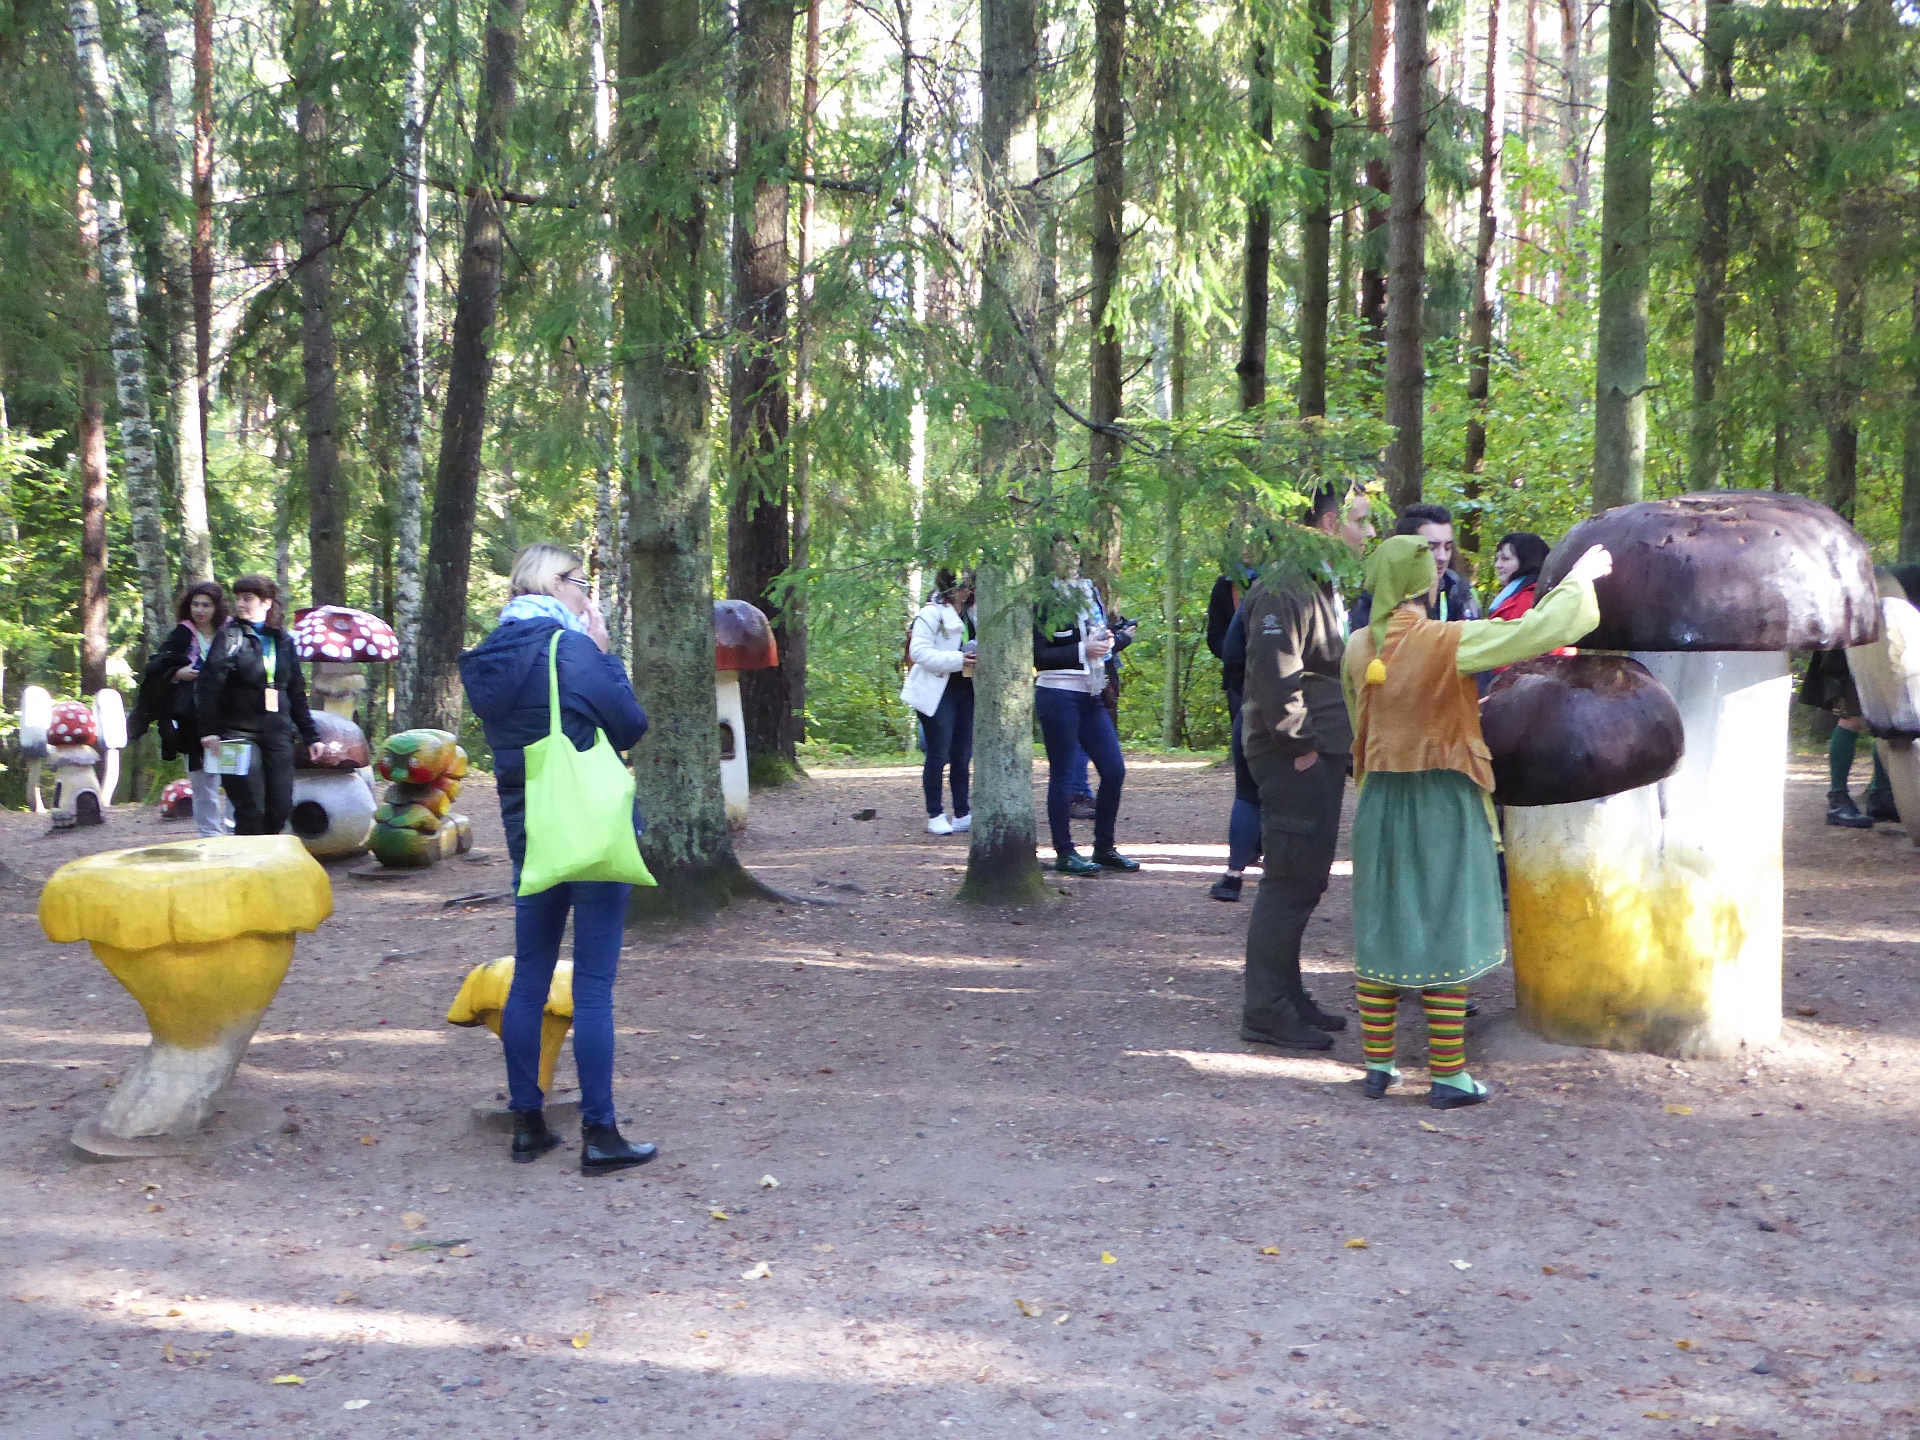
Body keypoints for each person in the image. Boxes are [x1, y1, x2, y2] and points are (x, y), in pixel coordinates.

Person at [1342, 534, 1613, 1108]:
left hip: (1380, 799)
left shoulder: (1357, 647)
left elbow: (1360, 720)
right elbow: (1536, 632)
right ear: (1423, 583)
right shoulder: (1447, 641)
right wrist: (1578, 582)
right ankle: (1447, 1077)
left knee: (1383, 920)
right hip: (1441, 797)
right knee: (1448, 922)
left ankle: (1378, 1066)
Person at [459, 542, 658, 1175]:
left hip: (530, 832)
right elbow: (630, 725)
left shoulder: (489, 657)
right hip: (589, 829)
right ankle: (600, 1134)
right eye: (580, 582)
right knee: (593, 986)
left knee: (530, 976)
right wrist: (604, 652)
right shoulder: (568, 648)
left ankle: (528, 1125)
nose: (586, 594)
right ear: (554, 584)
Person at [1234, 485, 1376, 1047]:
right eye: (1363, 521)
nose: (1370, 533)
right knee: (1289, 881)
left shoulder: (1317, 581)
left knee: (1306, 879)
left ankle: (1287, 995)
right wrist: (1302, 746)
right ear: (1330, 522)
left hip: (1315, 752)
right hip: (1293, 756)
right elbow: (1275, 675)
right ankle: (1266, 1010)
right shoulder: (1284, 587)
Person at [1035, 540, 1137, 875]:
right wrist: (1083, 650)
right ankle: (1065, 853)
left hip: (1092, 692)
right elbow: (1039, 655)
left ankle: (1104, 847)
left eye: (1074, 553)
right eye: (1061, 553)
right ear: (1050, 559)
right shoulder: (1043, 598)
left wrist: (1116, 639)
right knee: (1063, 773)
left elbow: (1098, 640)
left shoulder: (1090, 591)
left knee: (1114, 769)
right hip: (1057, 693)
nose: (1070, 559)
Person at [195, 575, 319, 835]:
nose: (240, 604)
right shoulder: (228, 636)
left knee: (280, 806)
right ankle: (248, 857)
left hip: (278, 733)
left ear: (266, 603)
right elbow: (208, 686)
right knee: (250, 808)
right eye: (238, 598)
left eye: (247, 599)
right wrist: (208, 731)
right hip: (235, 734)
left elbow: (296, 691)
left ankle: (268, 855)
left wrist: (310, 735)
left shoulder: (283, 640)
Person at [130, 581, 233, 836]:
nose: (200, 610)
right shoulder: (182, 633)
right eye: (195, 604)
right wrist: (177, 673)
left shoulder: (231, 631)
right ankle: (209, 834)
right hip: (191, 720)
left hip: (229, 716)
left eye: (206, 605)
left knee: (235, 779)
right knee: (203, 781)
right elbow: (156, 667)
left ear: (216, 607)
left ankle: (236, 832)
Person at [901, 568, 975, 835]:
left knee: (962, 754)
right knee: (938, 752)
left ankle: (962, 813)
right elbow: (919, 653)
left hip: (966, 690)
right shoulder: (930, 614)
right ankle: (935, 814)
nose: (967, 590)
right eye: (962, 586)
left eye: (969, 585)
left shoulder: (972, 614)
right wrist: (958, 659)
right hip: (936, 691)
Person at [1798, 649, 1896, 827]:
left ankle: (1881, 796)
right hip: (1851, 650)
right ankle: (1838, 800)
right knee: (1852, 719)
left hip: (1883, 651)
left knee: (1885, 719)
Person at [1349, 503, 1480, 631]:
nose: (1442, 557)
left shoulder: (1461, 592)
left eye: (1447, 547)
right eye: (1431, 547)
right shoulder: (1376, 597)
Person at [1486, 532, 1550, 621]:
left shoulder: (1527, 599)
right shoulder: (1515, 594)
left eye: (1505, 559)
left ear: (1527, 561)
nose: (1497, 565)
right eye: (1497, 559)